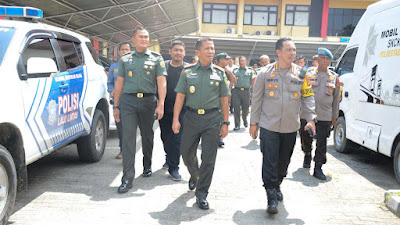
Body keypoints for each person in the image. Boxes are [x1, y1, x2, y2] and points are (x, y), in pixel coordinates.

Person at [250, 37, 316, 214]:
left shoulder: (302, 73)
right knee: (270, 161)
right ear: (278, 52)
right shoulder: (265, 73)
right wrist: (253, 123)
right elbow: (256, 99)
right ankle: (271, 195)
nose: (292, 53)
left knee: (283, 162)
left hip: (290, 127)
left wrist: (310, 119)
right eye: (289, 50)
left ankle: (277, 183)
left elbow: (308, 97)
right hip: (268, 126)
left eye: (294, 50)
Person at [172, 37, 230, 210]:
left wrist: (225, 122)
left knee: (209, 158)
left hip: (212, 119)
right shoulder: (187, 72)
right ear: (198, 52)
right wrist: (175, 119)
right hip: (191, 117)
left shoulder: (220, 73)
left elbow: (224, 100)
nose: (211, 51)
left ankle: (202, 193)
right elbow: (180, 97)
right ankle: (195, 175)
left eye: (212, 48)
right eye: (207, 48)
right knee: (186, 153)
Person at [113, 27, 167, 193]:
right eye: (141, 37)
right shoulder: (125, 60)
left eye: (146, 37)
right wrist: (116, 106)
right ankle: (127, 179)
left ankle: (147, 164)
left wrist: (161, 104)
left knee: (147, 135)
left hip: (148, 101)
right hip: (128, 102)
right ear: (133, 40)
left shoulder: (157, 59)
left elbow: (161, 82)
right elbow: (119, 83)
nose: (144, 39)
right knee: (128, 138)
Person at [300, 48, 340, 180]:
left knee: (322, 142)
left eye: (327, 59)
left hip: (325, 116)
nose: (324, 61)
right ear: (317, 60)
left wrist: (334, 117)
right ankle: (307, 154)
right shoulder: (308, 74)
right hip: (307, 114)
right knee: (306, 138)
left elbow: (336, 100)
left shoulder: (334, 78)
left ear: (330, 61)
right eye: (322, 58)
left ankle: (318, 167)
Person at [159, 40, 188, 181]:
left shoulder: (188, 69)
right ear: (170, 51)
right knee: (165, 136)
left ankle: (174, 167)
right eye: (175, 50)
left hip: (182, 110)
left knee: (177, 138)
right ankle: (168, 156)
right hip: (165, 107)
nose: (178, 53)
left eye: (180, 50)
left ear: (184, 53)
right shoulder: (163, 66)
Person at [107, 42, 131, 159]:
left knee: (129, 127)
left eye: (127, 49)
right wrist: (111, 91)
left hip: (131, 101)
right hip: (118, 102)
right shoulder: (114, 67)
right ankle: (122, 150)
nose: (125, 51)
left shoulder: (134, 65)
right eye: (123, 50)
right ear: (119, 52)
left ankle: (129, 151)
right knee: (120, 128)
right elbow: (110, 82)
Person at [215, 52, 236, 147]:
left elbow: (234, 81)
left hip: (224, 97)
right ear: (220, 60)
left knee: (222, 116)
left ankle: (219, 137)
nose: (228, 61)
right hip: (214, 97)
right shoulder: (213, 69)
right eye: (226, 59)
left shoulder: (226, 71)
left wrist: (229, 72)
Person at [232, 56, 253, 130]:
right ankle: (237, 125)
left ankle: (245, 119)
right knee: (236, 108)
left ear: (246, 61)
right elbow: (232, 81)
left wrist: (252, 92)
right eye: (240, 61)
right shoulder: (235, 71)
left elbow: (253, 81)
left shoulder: (250, 71)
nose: (241, 62)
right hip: (236, 91)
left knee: (246, 108)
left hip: (246, 91)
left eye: (243, 60)